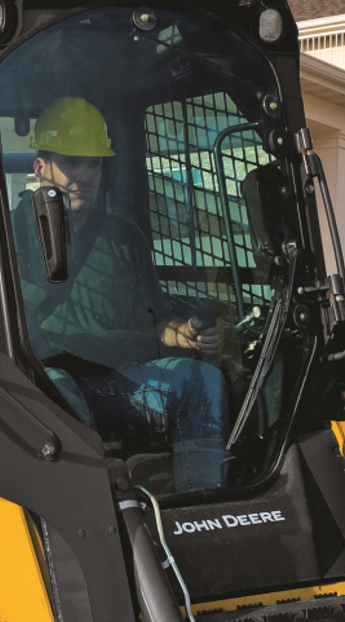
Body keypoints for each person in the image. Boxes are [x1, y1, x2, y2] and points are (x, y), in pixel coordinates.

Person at [12, 96, 228, 493]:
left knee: (202, 381)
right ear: (40, 168)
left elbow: (158, 321)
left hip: (122, 379)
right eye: (72, 161)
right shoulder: (5, 238)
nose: (85, 174)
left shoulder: (125, 237)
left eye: (93, 163)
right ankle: (94, 514)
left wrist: (182, 333)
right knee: (55, 396)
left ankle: (203, 504)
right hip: (52, 379)